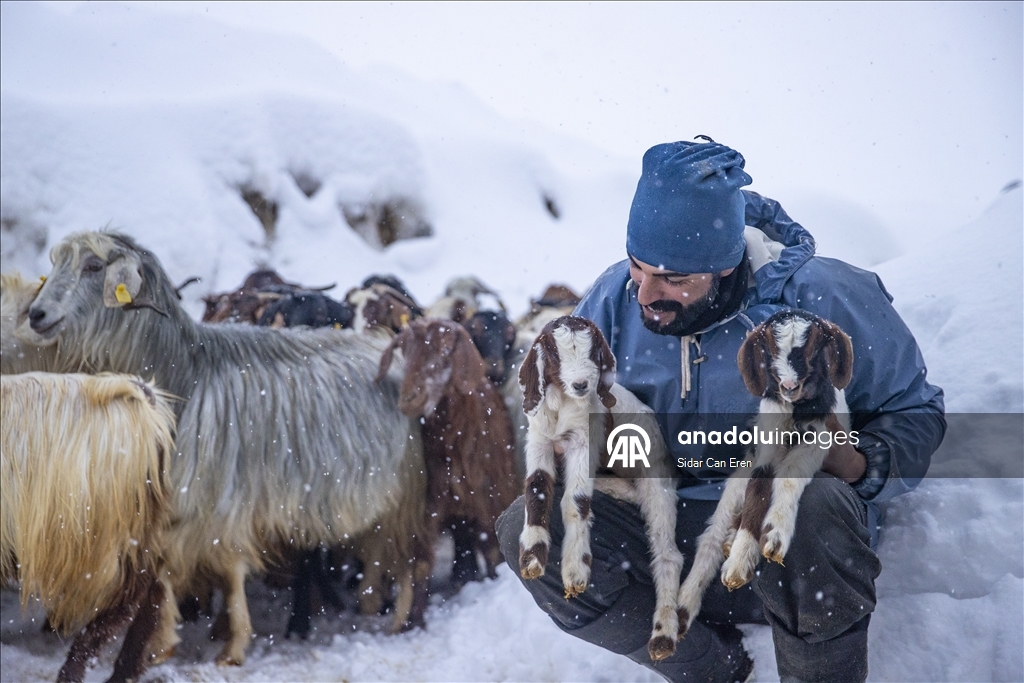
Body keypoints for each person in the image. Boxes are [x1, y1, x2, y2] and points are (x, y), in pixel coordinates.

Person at [495, 139, 945, 682]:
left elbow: (916, 411)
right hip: (664, 535)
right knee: (528, 524)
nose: (646, 296)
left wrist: (861, 463)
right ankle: (711, 668)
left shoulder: (826, 297)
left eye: (675, 280)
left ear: (727, 266)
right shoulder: (614, 299)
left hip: (794, 552)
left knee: (816, 502)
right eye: (639, 269)